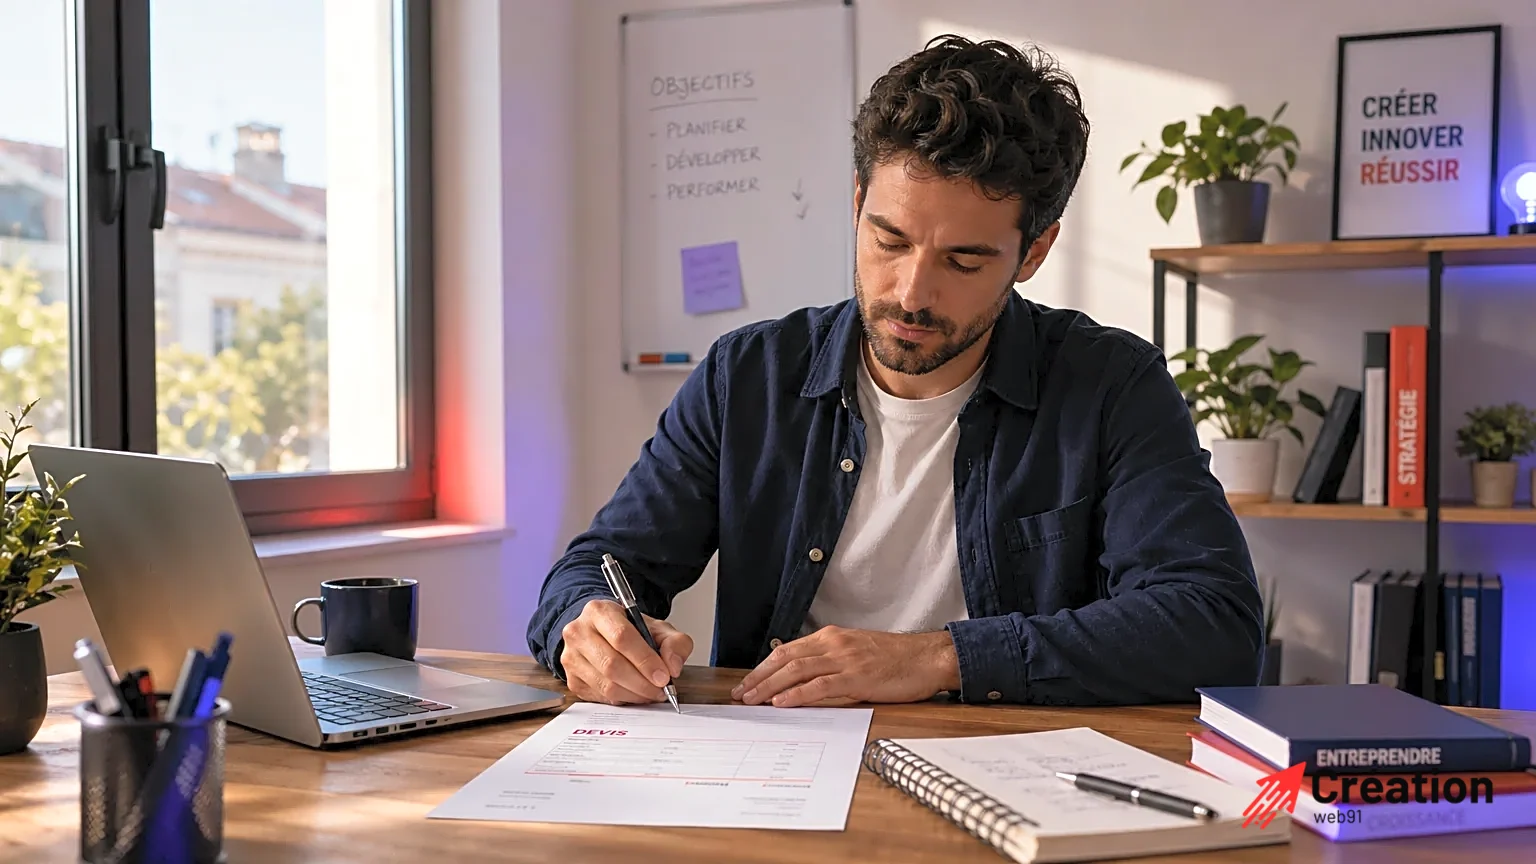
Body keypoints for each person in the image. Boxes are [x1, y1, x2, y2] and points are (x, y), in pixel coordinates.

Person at [527, 35, 1264, 709]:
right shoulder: (747, 376)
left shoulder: (1111, 385)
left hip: (1009, 780)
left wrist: (943, 658)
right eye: (889, 239)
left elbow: (1214, 621)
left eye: (963, 261)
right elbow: (597, 566)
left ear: (1034, 253)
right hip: (773, 771)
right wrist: (585, 627)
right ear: (858, 204)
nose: (911, 293)